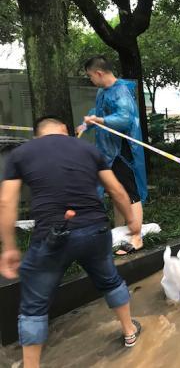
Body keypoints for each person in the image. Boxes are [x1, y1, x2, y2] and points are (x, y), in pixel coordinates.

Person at [0, 116, 142, 368]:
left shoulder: (21, 153)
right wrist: (133, 222)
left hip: (51, 237)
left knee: (34, 306)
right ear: (65, 131)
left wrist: (9, 247)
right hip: (96, 231)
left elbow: (5, 202)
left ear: (37, 134)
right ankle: (129, 331)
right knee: (110, 280)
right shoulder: (88, 149)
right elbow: (116, 190)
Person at [77, 56, 147, 256]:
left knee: (130, 192)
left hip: (122, 151)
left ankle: (136, 238)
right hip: (106, 150)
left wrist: (98, 120)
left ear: (99, 73)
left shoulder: (121, 91)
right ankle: (121, 230)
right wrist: (86, 124)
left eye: (90, 76)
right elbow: (98, 112)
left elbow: (125, 119)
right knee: (116, 190)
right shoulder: (102, 91)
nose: (90, 80)